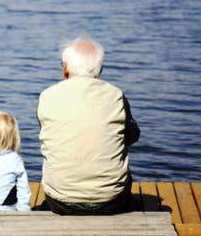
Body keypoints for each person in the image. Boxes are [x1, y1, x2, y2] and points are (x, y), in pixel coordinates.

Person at [37, 35, 140, 215]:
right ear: (99, 69)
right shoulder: (115, 95)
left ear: (65, 68)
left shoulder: (47, 96)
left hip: (59, 201)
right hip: (111, 201)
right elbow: (132, 137)